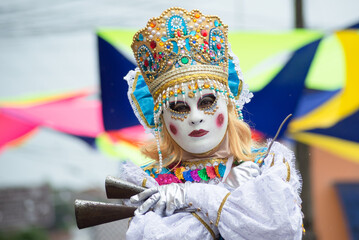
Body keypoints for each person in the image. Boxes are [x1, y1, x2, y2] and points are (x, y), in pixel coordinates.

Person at [120, 7, 303, 240]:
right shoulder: (150, 185)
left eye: (207, 101)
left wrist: (193, 194)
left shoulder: (266, 168)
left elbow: (277, 231)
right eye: (179, 107)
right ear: (161, 120)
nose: (195, 117)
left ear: (228, 107)